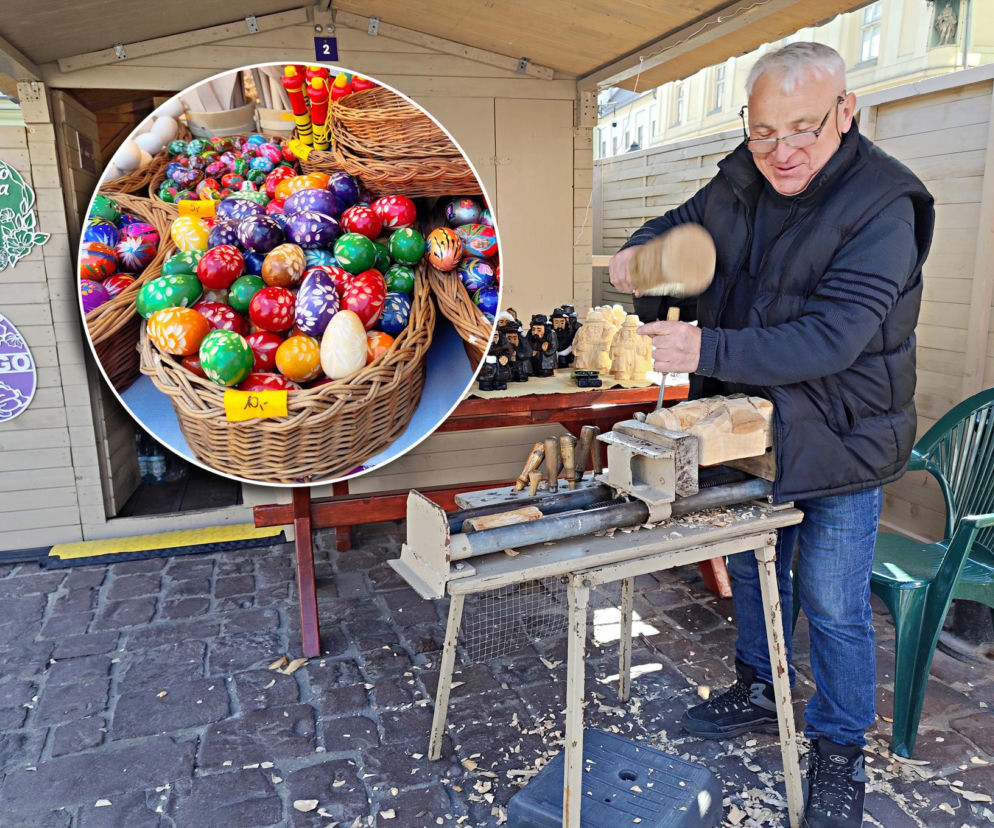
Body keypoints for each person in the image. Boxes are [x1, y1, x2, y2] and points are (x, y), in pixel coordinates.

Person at [609, 42, 934, 828]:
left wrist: (705, 350)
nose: (781, 152)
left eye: (803, 131)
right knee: (756, 569)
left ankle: (839, 749)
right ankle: (760, 685)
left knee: (832, 600)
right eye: (762, 132)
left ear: (845, 113)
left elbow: (832, 337)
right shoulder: (746, 171)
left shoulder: (885, 204)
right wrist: (639, 257)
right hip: (750, 423)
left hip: (842, 433)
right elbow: (685, 223)